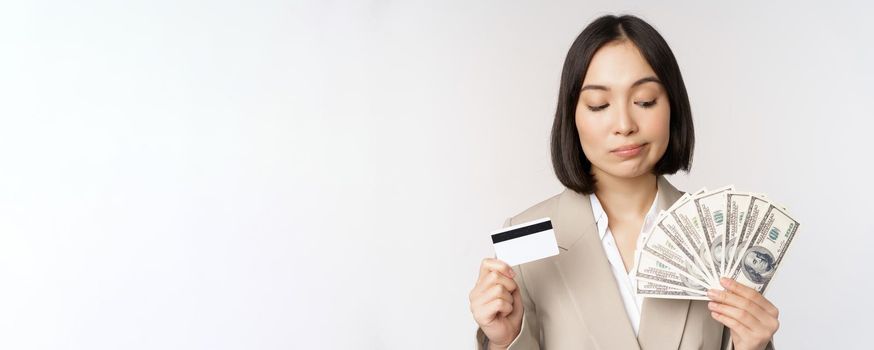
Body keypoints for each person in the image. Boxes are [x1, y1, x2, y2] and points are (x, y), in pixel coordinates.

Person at [468, 14, 779, 350]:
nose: (624, 124)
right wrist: (504, 340)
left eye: (645, 101)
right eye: (599, 104)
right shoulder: (527, 233)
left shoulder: (719, 233)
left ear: (672, 106)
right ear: (572, 116)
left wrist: (754, 346)